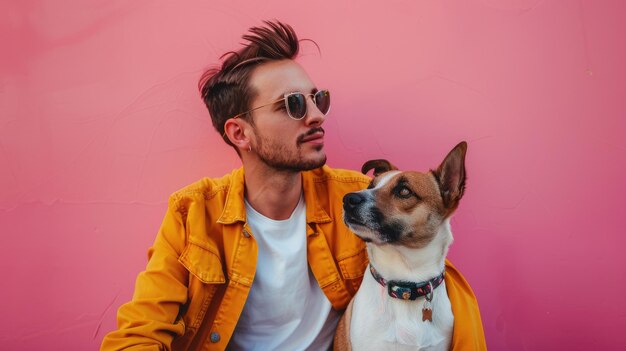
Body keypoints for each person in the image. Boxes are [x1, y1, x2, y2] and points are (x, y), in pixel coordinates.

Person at [101, 21, 370, 351]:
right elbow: (140, 332)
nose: (316, 116)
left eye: (319, 99)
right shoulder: (194, 214)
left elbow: (435, 289)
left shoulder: (357, 199)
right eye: (294, 104)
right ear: (240, 133)